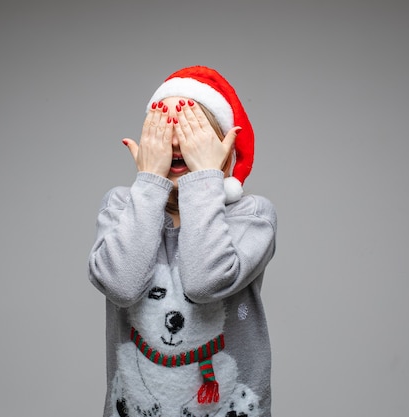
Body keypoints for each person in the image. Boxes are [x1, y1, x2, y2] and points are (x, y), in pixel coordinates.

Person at [88, 65, 277, 417]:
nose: (176, 141)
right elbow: (122, 286)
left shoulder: (251, 217)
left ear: (224, 144)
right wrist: (147, 183)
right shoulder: (121, 207)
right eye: (164, 127)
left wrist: (205, 178)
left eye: (191, 129)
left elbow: (204, 283)